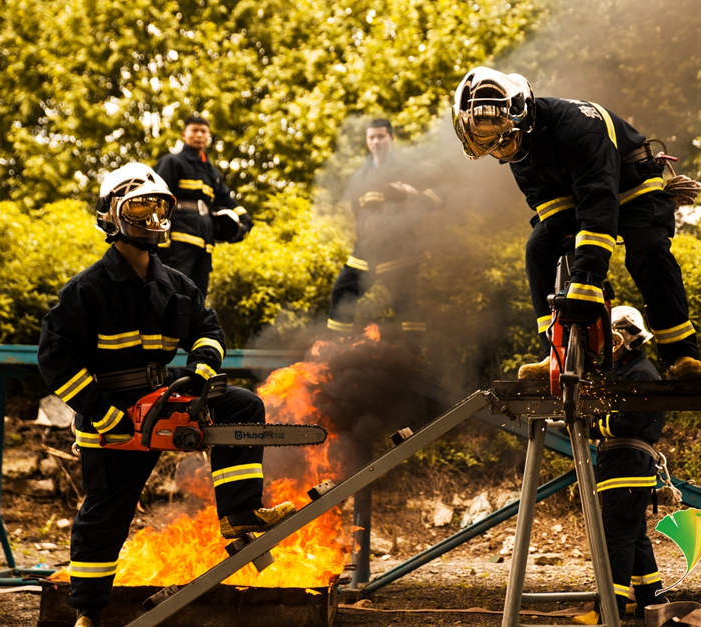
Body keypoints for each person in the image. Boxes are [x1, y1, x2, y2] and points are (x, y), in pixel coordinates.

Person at [37, 162, 294, 627]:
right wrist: (100, 411)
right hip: (111, 418)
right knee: (105, 515)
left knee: (242, 405)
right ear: (112, 216)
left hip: (163, 400)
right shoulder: (87, 291)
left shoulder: (175, 284)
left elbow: (209, 331)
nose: (151, 216)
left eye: (158, 206)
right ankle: (88, 612)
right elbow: (56, 359)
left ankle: (239, 517)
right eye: (139, 207)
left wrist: (198, 375)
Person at [451, 67, 701, 380]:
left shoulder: (579, 126)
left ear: (522, 118)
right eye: (493, 149)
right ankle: (556, 355)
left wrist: (586, 280)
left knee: (648, 250)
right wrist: (581, 288)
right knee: (539, 249)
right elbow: (557, 217)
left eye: (504, 143)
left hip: (631, 186)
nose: (504, 153)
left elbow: (598, 206)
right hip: (581, 197)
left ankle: (682, 355)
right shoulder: (517, 153)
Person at [576, 305, 668, 624]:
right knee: (635, 535)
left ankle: (610, 609)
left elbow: (630, 421)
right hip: (625, 467)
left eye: (613, 338)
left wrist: (593, 424)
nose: (609, 346)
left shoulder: (640, 373)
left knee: (617, 538)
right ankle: (651, 600)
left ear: (629, 337)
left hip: (627, 466)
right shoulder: (628, 371)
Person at [326, 118, 440, 346]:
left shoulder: (409, 168)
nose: (376, 141)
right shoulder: (360, 175)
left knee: (407, 306)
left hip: (400, 250)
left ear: (392, 138)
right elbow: (356, 212)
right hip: (366, 250)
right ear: (367, 141)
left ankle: (412, 358)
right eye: (372, 137)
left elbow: (437, 197)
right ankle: (334, 351)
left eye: (381, 136)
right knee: (342, 292)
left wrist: (411, 193)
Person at [154, 115, 252, 295]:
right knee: (172, 293)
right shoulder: (172, 162)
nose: (199, 134)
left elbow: (225, 198)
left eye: (203, 131)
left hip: (205, 244)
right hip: (177, 243)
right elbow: (157, 199)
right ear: (184, 134)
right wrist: (161, 240)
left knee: (197, 298)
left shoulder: (211, 172)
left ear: (209, 136)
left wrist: (244, 218)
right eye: (194, 130)